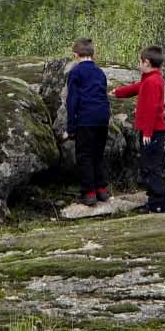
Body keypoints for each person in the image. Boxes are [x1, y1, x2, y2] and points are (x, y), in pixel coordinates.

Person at [112, 45, 165, 213]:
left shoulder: (152, 81)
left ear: (147, 62)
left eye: (139, 62)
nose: (138, 64)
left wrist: (148, 132)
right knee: (147, 165)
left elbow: (151, 109)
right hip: (151, 131)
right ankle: (154, 200)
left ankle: (158, 203)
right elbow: (137, 87)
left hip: (153, 132)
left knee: (152, 167)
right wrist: (119, 92)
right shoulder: (150, 78)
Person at [63, 37, 110, 206]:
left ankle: (89, 193)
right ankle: (102, 189)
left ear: (75, 55)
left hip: (85, 119)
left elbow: (72, 100)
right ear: (93, 54)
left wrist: (71, 127)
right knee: (98, 154)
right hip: (102, 119)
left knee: (85, 155)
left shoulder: (75, 73)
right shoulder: (100, 72)